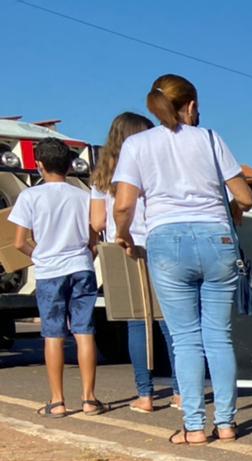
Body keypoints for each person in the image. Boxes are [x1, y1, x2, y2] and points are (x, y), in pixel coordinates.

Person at [113, 74, 252, 445]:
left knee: (185, 338)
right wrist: (234, 214)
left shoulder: (137, 144)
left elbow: (125, 203)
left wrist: (124, 236)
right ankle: (226, 423)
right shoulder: (210, 138)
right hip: (216, 238)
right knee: (219, 338)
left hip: (166, 240)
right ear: (191, 105)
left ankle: (193, 426)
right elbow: (245, 196)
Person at [90, 111, 179, 414]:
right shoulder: (154, 165)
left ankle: (145, 394)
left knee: (137, 324)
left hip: (122, 247)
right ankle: (181, 392)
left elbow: (97, 220)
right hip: (158, 243)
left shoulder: (102, 177)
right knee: (169, 321)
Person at [10, 138, 100, 419]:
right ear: (70, 165)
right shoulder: (83, 197)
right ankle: (89, 399)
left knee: (53, 334)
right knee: (84, 330)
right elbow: (94, 235)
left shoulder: (30, 197)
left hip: (50, 271)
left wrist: (39, 255)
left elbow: (18, 242)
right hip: (81, 266)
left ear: (38, 166)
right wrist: (87, 253)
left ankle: (58, 401)